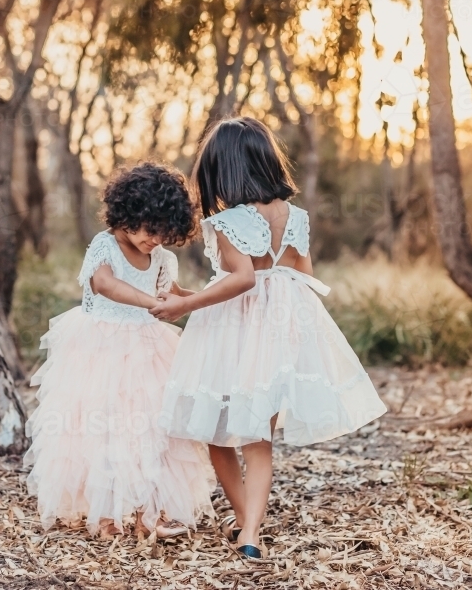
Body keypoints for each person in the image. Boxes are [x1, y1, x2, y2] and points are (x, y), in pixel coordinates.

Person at [152, 117, 387, 558]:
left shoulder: (226, 222)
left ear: (225, 170)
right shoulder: (295, 216)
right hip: (279, 330)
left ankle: (246, 523)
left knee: (219, 431)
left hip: (231, 332)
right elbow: (303, 273)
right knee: (258, 438)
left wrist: (184, 305)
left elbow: (240, 280)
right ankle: (249, 533)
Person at [24, 163, 214, 538]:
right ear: (128, 214)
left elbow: (172, 294)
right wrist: (148, 302)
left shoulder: (160, 257)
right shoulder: (104, 245)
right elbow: (106, 285)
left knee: (155, 430)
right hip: (101, 352)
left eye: (164, 234)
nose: (155, 240)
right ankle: (106, 516)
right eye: (149, 230)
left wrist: (207, 301)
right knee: (105, 430)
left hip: (148, 351)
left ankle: (151, 514)